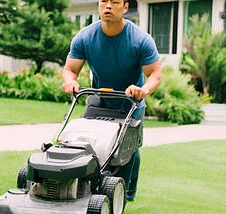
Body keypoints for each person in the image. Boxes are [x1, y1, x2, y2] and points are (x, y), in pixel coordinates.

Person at [61, 0, 161, 201]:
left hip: (130, 101)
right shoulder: (85, 36)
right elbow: (70, 69)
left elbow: (155, 75)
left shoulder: (140, 39)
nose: (107, 6)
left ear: (125, 7)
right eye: (103, 1)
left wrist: (143, 90)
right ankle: (83, 186)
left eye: (114, 2)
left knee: (126, 148)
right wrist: (70, 82)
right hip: (99, 99)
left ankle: (123, 195)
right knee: (84, 140)